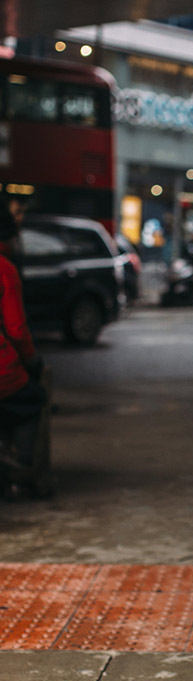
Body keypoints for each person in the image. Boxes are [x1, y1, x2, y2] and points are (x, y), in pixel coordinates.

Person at [0, 198, 47, 499]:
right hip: (3, 372)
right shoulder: (5, 269)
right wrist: (31, 363)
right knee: (32, 400)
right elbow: (17, 329)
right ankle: (21, 476)